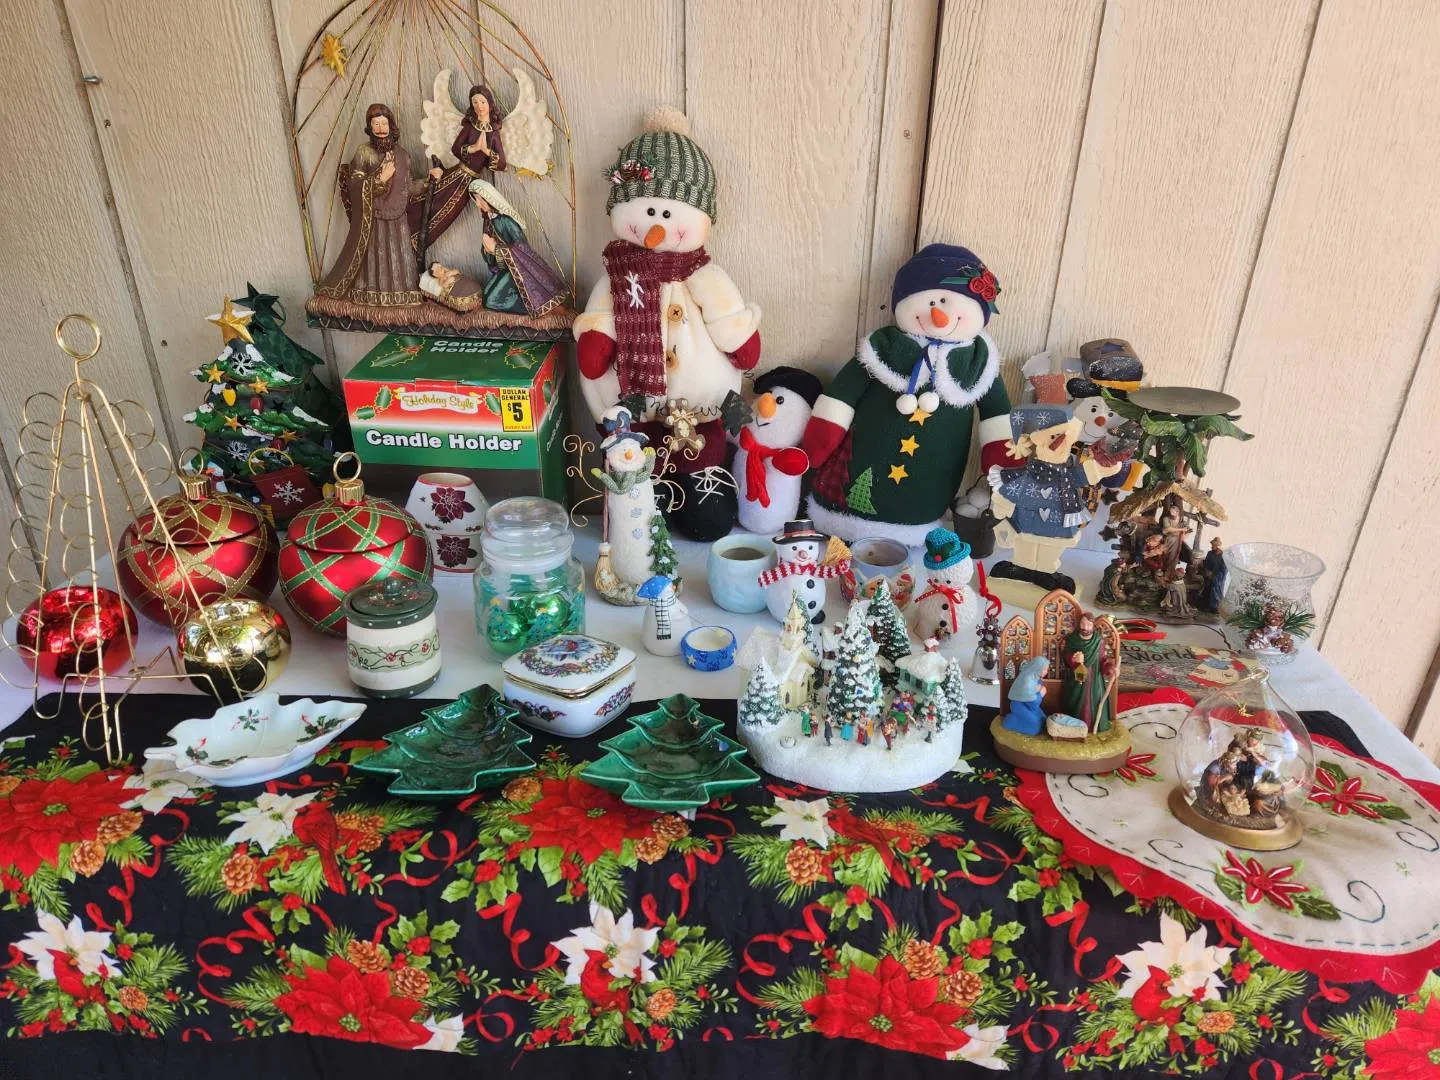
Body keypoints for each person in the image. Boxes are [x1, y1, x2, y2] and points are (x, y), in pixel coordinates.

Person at [317, 105, 458, 310]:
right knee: (376, 258)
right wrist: (380, 179)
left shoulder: (402, 155)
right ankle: (370, 295)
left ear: (391, 126)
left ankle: (401, 295)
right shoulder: (364, 152)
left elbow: (408, 188)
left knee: (398, 256)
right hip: (373, 218)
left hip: (398, 218)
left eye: (384, 123)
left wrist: (429, 181)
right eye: (376, 124)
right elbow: (355, 185)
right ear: (370, 127)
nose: (381, 128)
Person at [467, 180, 569, 316]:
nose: (478, 204)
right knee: (486, 295)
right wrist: (487, 251)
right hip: (506, 269)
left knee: (492, 301)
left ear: (488, 198)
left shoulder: (506, 220)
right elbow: (490, 255)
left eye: (480, 200)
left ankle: (538, 306)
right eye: (475, 200)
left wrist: (496, 249)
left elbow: (522, 248)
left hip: (519, 270)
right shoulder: (488, 221)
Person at [1061, 613, 1114, 733]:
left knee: (1094, 702)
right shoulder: (1073, 639)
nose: (1085, 627)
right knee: (1075, 701)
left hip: (1094, 679)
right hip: (1077, 676)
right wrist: (1074, 659)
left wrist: (1110, 668)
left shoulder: (1098, 641)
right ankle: (1075, 727)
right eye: (1083, 624)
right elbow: (1066, 656)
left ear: (1093, 626)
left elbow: (1103, 660)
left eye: (1088, 625)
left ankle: (1093, 726)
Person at [451, 84, 507, 176]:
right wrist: (473, 149)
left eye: (483, 102)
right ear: (472, 105)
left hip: (474, 177)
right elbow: (455, 149)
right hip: (458, 172)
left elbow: (502, 164)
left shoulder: (493, 132)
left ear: (490, 103)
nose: (479, 106)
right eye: (475, 102)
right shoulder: (470, 127)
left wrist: (486, 150)